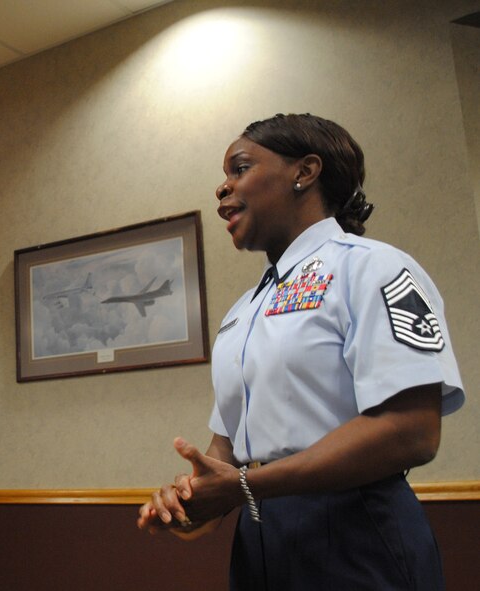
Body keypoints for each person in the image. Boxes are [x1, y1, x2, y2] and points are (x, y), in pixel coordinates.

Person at [137, 113, 464, 589]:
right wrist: (188, 504)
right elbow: (224, 459)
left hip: (356, 532)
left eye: (240, 168)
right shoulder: (241, 312)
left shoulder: (373, 267)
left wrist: (244, 485)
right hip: (260, 538)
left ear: (304, 172)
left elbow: (412, 431)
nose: (222, 188)